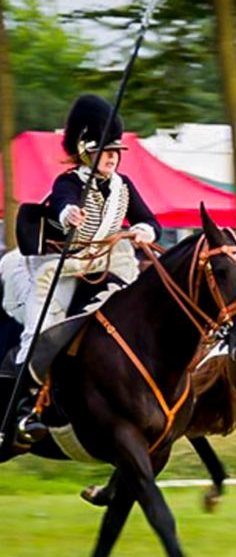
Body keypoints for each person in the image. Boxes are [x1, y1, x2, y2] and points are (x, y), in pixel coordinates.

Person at [13, 93, 161, 443]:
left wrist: (145, 230)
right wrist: (68, 215)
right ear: (85, 151)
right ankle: (25, 408)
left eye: (115, 152)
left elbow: (148, 219)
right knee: (43, 328)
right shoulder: (70, 183)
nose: (111, 157)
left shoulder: (124, 187)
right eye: (104, 151)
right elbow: (63, 203)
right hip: (66, 265)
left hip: (108, 264)